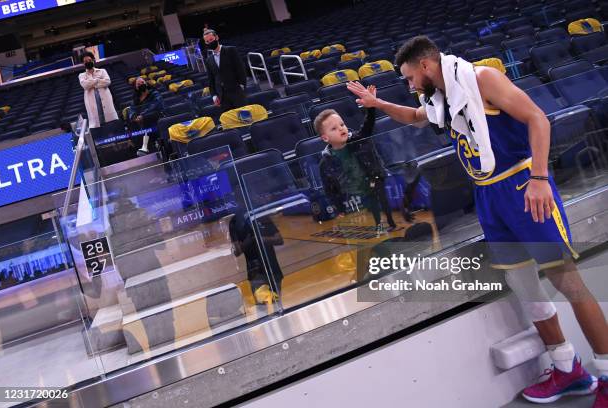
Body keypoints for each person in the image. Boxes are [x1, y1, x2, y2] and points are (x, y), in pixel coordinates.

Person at [347, 36, 607, 407]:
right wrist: (377, 104)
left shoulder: (482, 79)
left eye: (408, 78)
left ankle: (607, 376)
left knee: (569, 284)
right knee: (526, 290)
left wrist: (539, 179)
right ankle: (568, 370)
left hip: (522, 185)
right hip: (488, 196)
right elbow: (415, 118)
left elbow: (538, 119)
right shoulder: (440, 98)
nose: (408, 85)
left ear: (425, 66)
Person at [316, 99, 400, 232]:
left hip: (373, 179)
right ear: (325, 138)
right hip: (352, 191)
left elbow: (367, 127)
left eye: (342, 124)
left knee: (380, 201)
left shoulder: (357, 139)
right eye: (334, 128)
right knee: (364, 213)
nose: (341, 128)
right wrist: (339, 208)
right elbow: (329, 189)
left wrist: (371, 108)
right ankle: (375, 227)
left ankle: (390, 223)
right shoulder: (326, 162)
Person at [229, 211, 284, 305]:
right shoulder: (234, 222)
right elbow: (236, 251)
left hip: (273, 269)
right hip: (256, 273)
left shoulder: (261, 215)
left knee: (277, 305)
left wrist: (261, 239)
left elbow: (280, 240)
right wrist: (249, 241)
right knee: (261, 309)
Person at [203, 28, 248, 111]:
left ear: (216, 38)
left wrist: (241, 86)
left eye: (211, 39)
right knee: (230, 122)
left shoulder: (230, 50)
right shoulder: (208, 60)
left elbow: (240, 69)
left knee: (245, 119)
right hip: (222, 97)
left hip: (237, 91)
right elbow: (211, 79)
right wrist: (214, 95)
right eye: (207, 41)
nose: (210, 42)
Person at [78, 51, 118, 129]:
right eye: (85, 61)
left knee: (111, 122)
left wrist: (91, 83)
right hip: (92, 100)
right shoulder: (81, 75)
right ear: (83, 64)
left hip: (105, 98)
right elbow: (85, 86)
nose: (88, 62)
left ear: (93, 60)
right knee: (98, 122)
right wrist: (97, 80)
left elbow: (107, 82)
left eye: (89, 60)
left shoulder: (102, 71)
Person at [126, 77, 164, 156]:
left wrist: (143, 115)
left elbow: (156, 105)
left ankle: (146, 146)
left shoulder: (154, 93)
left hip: (155, 117)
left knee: (146, 121)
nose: (141, 85)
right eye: (138, 84)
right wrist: (134, 116)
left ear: (146, 83)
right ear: (135, 87)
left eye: (142, 83)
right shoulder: (135, 99)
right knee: (131, 122)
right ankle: (138, 146)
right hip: (141, 121)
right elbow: (131, 110)